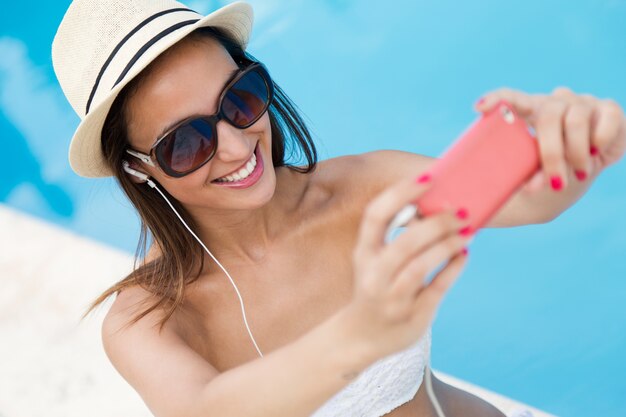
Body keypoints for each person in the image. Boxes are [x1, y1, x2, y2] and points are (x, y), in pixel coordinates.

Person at [51, 1, 626, 416]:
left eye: (239, 98)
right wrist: (360, 334)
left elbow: (529, 200)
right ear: (139, 169)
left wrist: (578, 148)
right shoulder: (149, 321)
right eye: (186, 142)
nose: (235, 144)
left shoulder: (360, 190)